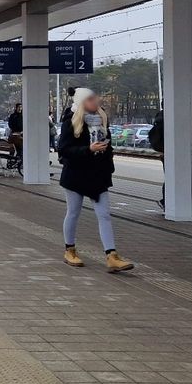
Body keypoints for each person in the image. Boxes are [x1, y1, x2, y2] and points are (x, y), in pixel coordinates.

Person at [57, 88, 134, 273]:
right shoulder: (70, 121)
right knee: (73, 212)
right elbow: (64, 149)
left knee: (104, 214)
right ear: (81, 102)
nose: (95, 101)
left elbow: (109, 147)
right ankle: (70, 250)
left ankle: (112, 255)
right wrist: (88, 149)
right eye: (90, 99)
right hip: (75, 175)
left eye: (95, 98)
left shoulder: (102, 119)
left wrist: (108, 166)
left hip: (98, 175)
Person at [148, 107, 165, 211]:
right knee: (172, 177)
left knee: (169, 177)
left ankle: (165, 202)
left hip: (164, 150)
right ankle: (166, 202)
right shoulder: (168, 117)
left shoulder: (160, 117)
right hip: (171, 150)